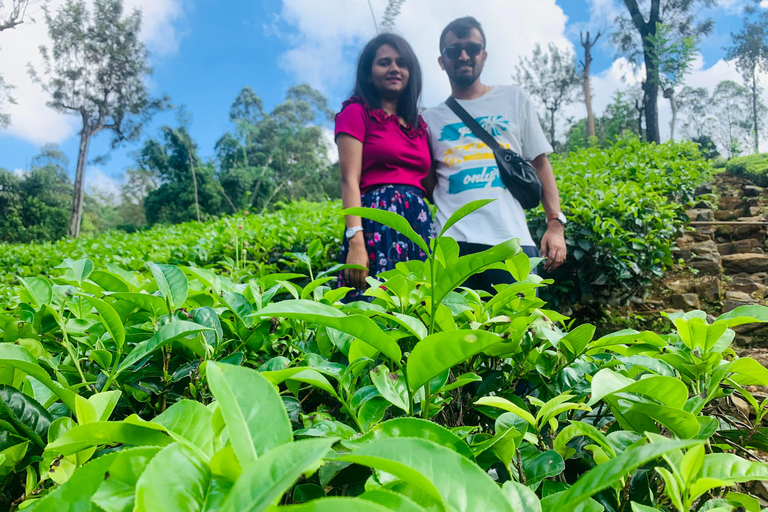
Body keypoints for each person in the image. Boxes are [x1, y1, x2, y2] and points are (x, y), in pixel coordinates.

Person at [422, 16, 567, 294]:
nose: (463, 56)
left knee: (516, 332)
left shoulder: (514, 98)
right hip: (452, 246)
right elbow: (431, 184)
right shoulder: (429, 119)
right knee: (455, 336)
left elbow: (540, 164)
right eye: (453, 50)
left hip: (511, 241)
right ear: (442, 61)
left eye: (472, 48)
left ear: (484, 56)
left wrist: (555, 224)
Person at [335, 33, 433, 300]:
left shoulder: (419, 126)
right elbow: (349, 180)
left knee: (417, 307)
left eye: (401, 63)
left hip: (417, 223)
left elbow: (430, 183)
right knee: (372, 303)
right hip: (375, 223)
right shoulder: (356, 112)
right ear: (368, 73)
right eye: (384, 62)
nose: (394, 69)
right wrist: (356, 238)